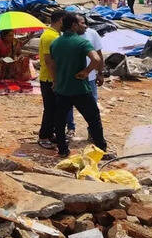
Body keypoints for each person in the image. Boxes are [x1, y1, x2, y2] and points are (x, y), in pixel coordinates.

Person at [49, 12, 109, 158]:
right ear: (74, 25)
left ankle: (63, 149)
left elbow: (52, 64)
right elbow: (95, 58)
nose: (85, 26)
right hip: (80, 89)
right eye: (81, 23)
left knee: (60, 121)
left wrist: (55, 81)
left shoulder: (55, 43)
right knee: (94, 119)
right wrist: (87, 71)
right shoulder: (81, 42)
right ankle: (101, 149)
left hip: (62, 89)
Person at [37, 10, 75, 147]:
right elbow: (49, 61)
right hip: (49, 78)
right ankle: (43, 136)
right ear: (60, 21)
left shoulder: (56, 35)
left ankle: (51, 133)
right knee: (50, 109)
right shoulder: (49, 36)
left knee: (56, 109)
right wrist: (55, 80)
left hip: (53, 77)